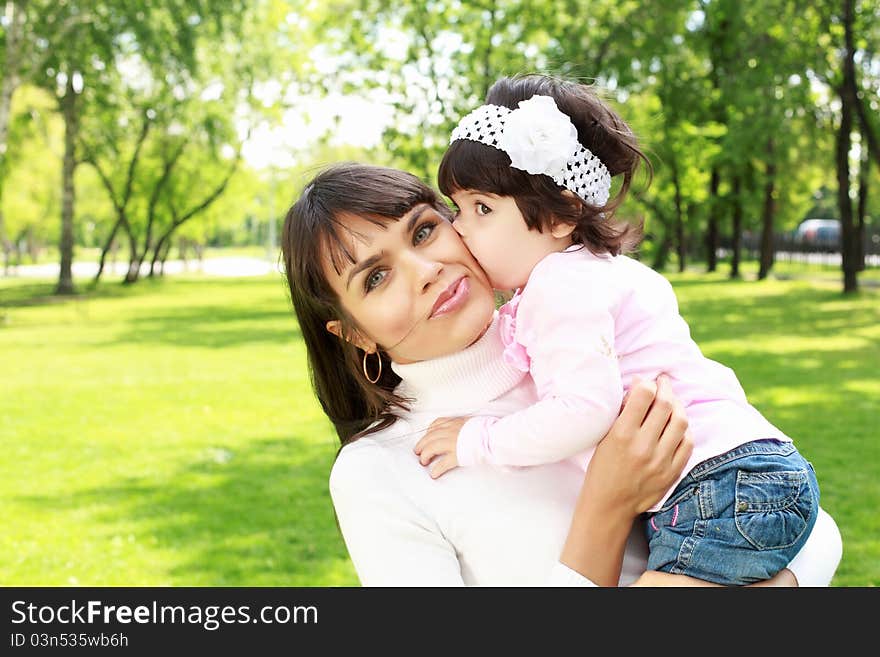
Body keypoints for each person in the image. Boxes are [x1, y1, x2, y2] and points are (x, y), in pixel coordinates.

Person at [280, 162, 842, 586]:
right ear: (353, 333)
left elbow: (799, 516)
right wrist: (607, 505)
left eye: (424, 231)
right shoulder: (378, 473)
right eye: (375, 278)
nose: (425, 271)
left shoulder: (578, 350)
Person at [415, 73, 823, 586]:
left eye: (482, 209)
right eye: (458, 208)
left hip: (718, 486)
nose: (461, 228)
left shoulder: (559, 287)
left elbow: (583, 411)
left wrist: (478, 441)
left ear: (561, 214)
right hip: (754, 469)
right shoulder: (602, 271)